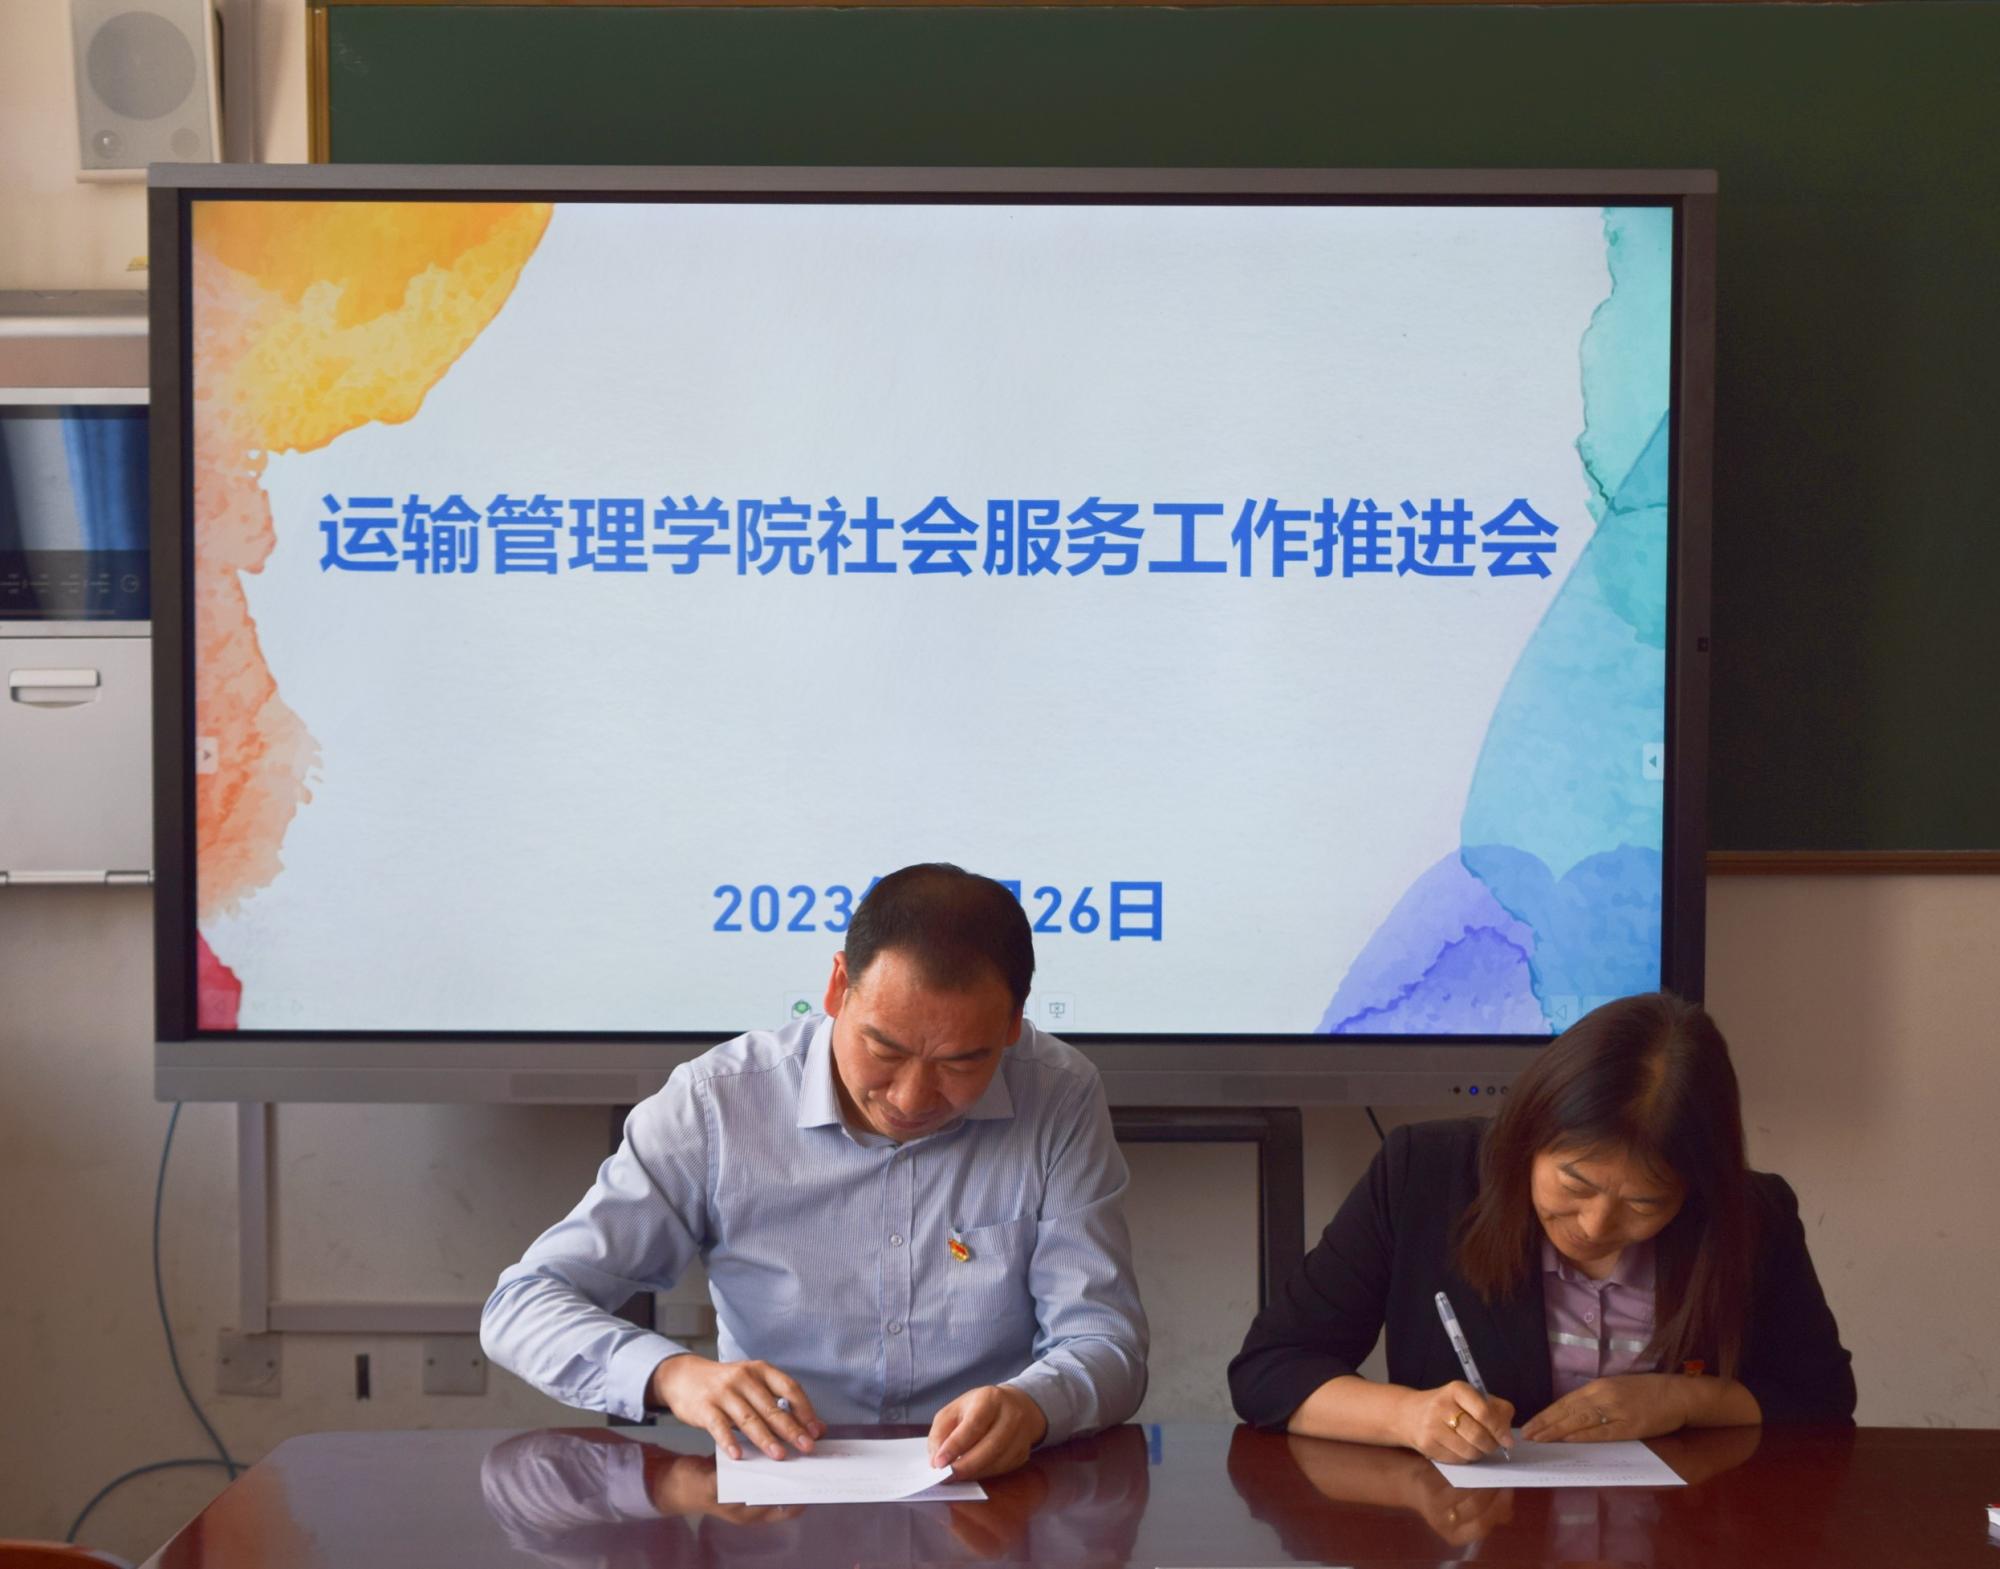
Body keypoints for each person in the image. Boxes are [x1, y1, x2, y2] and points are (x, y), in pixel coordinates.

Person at [482, 863, 1148, 1481]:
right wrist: (673, 1375)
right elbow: (524, 1305)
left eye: (960, 1062)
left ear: (1012, 1025)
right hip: (778, 1497)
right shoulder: (719, 1105)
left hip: (987, 1497)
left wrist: (1032, 1406)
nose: (911, 1098)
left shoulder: (1058, 1094)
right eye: (884, 1048)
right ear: (836, 986)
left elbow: (1105, 1340)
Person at [1228, 993, 1855, 1460]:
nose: (1596, 1225)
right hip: (1472, 1536)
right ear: (1527, 1136)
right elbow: (1271, 1369)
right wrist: (1408, 1417)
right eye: (1575, 1185)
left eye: (1644, 1204)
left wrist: (1683, 1400)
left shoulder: (1752, 1216)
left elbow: (1821, 1397)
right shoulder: (1424, 1174)